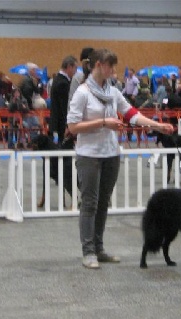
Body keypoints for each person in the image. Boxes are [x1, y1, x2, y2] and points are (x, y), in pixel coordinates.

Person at [67, 48, 173, 269]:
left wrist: (158, 126)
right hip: (89, 155)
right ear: (98, 65)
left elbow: (132, 114)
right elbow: (73, 127)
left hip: (111, 154)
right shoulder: (82, 93)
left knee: (103, 203)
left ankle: (99, 248)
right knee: (89, 204)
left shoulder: (113, 92)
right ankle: (88, 252)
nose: (114, 71)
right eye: (111, 66)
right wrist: (104, 122)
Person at [49, 55, 78, 145]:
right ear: (69, 67)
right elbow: (63, 106)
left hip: (56, 121)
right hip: (60, 123)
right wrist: (67, 124)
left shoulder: (57, 79)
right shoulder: (63, 83)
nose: (76, 71)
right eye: (75, 68)